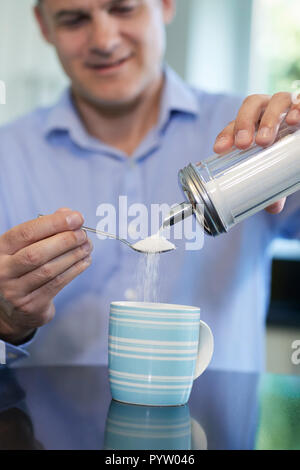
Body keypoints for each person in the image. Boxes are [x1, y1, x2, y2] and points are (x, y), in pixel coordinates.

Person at [0, 0, 299, 371]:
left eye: (123, 9)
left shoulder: (253, 140)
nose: (104, 40)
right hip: (38, 428)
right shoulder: (7, 157)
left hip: (215, 426)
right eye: (75, 19)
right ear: (43, 26)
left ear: (166, 4)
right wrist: (7, 322)